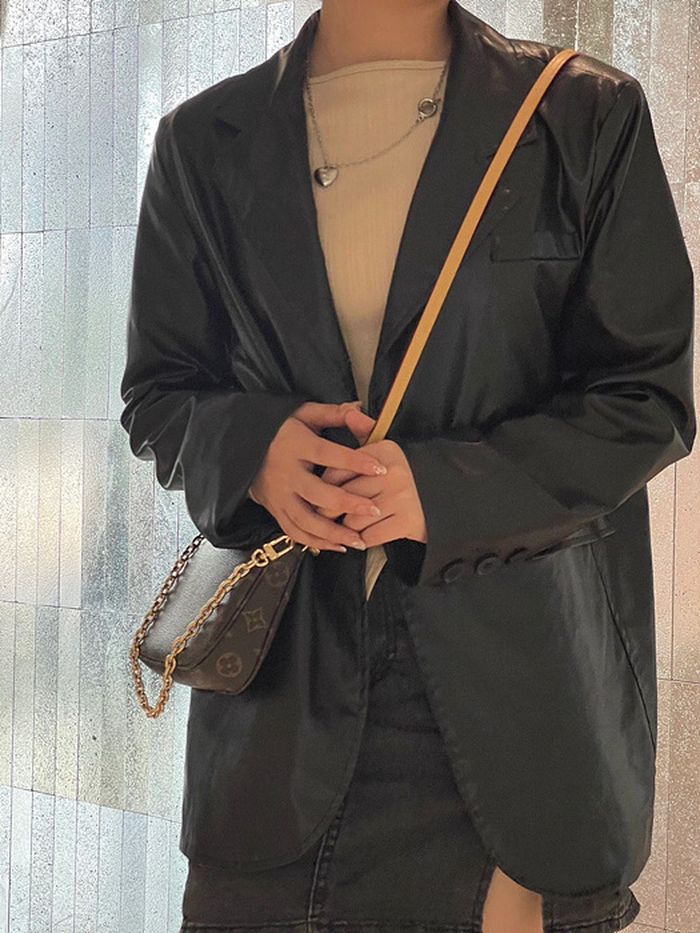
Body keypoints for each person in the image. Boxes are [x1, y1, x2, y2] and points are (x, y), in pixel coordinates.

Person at [119, 0, 696, 930]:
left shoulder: (580, 114)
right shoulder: (204, 140)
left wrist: (444, 490)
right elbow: (159, 392)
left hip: (518, 704)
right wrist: (254, 449)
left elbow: (646, 397)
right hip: (279, 713)